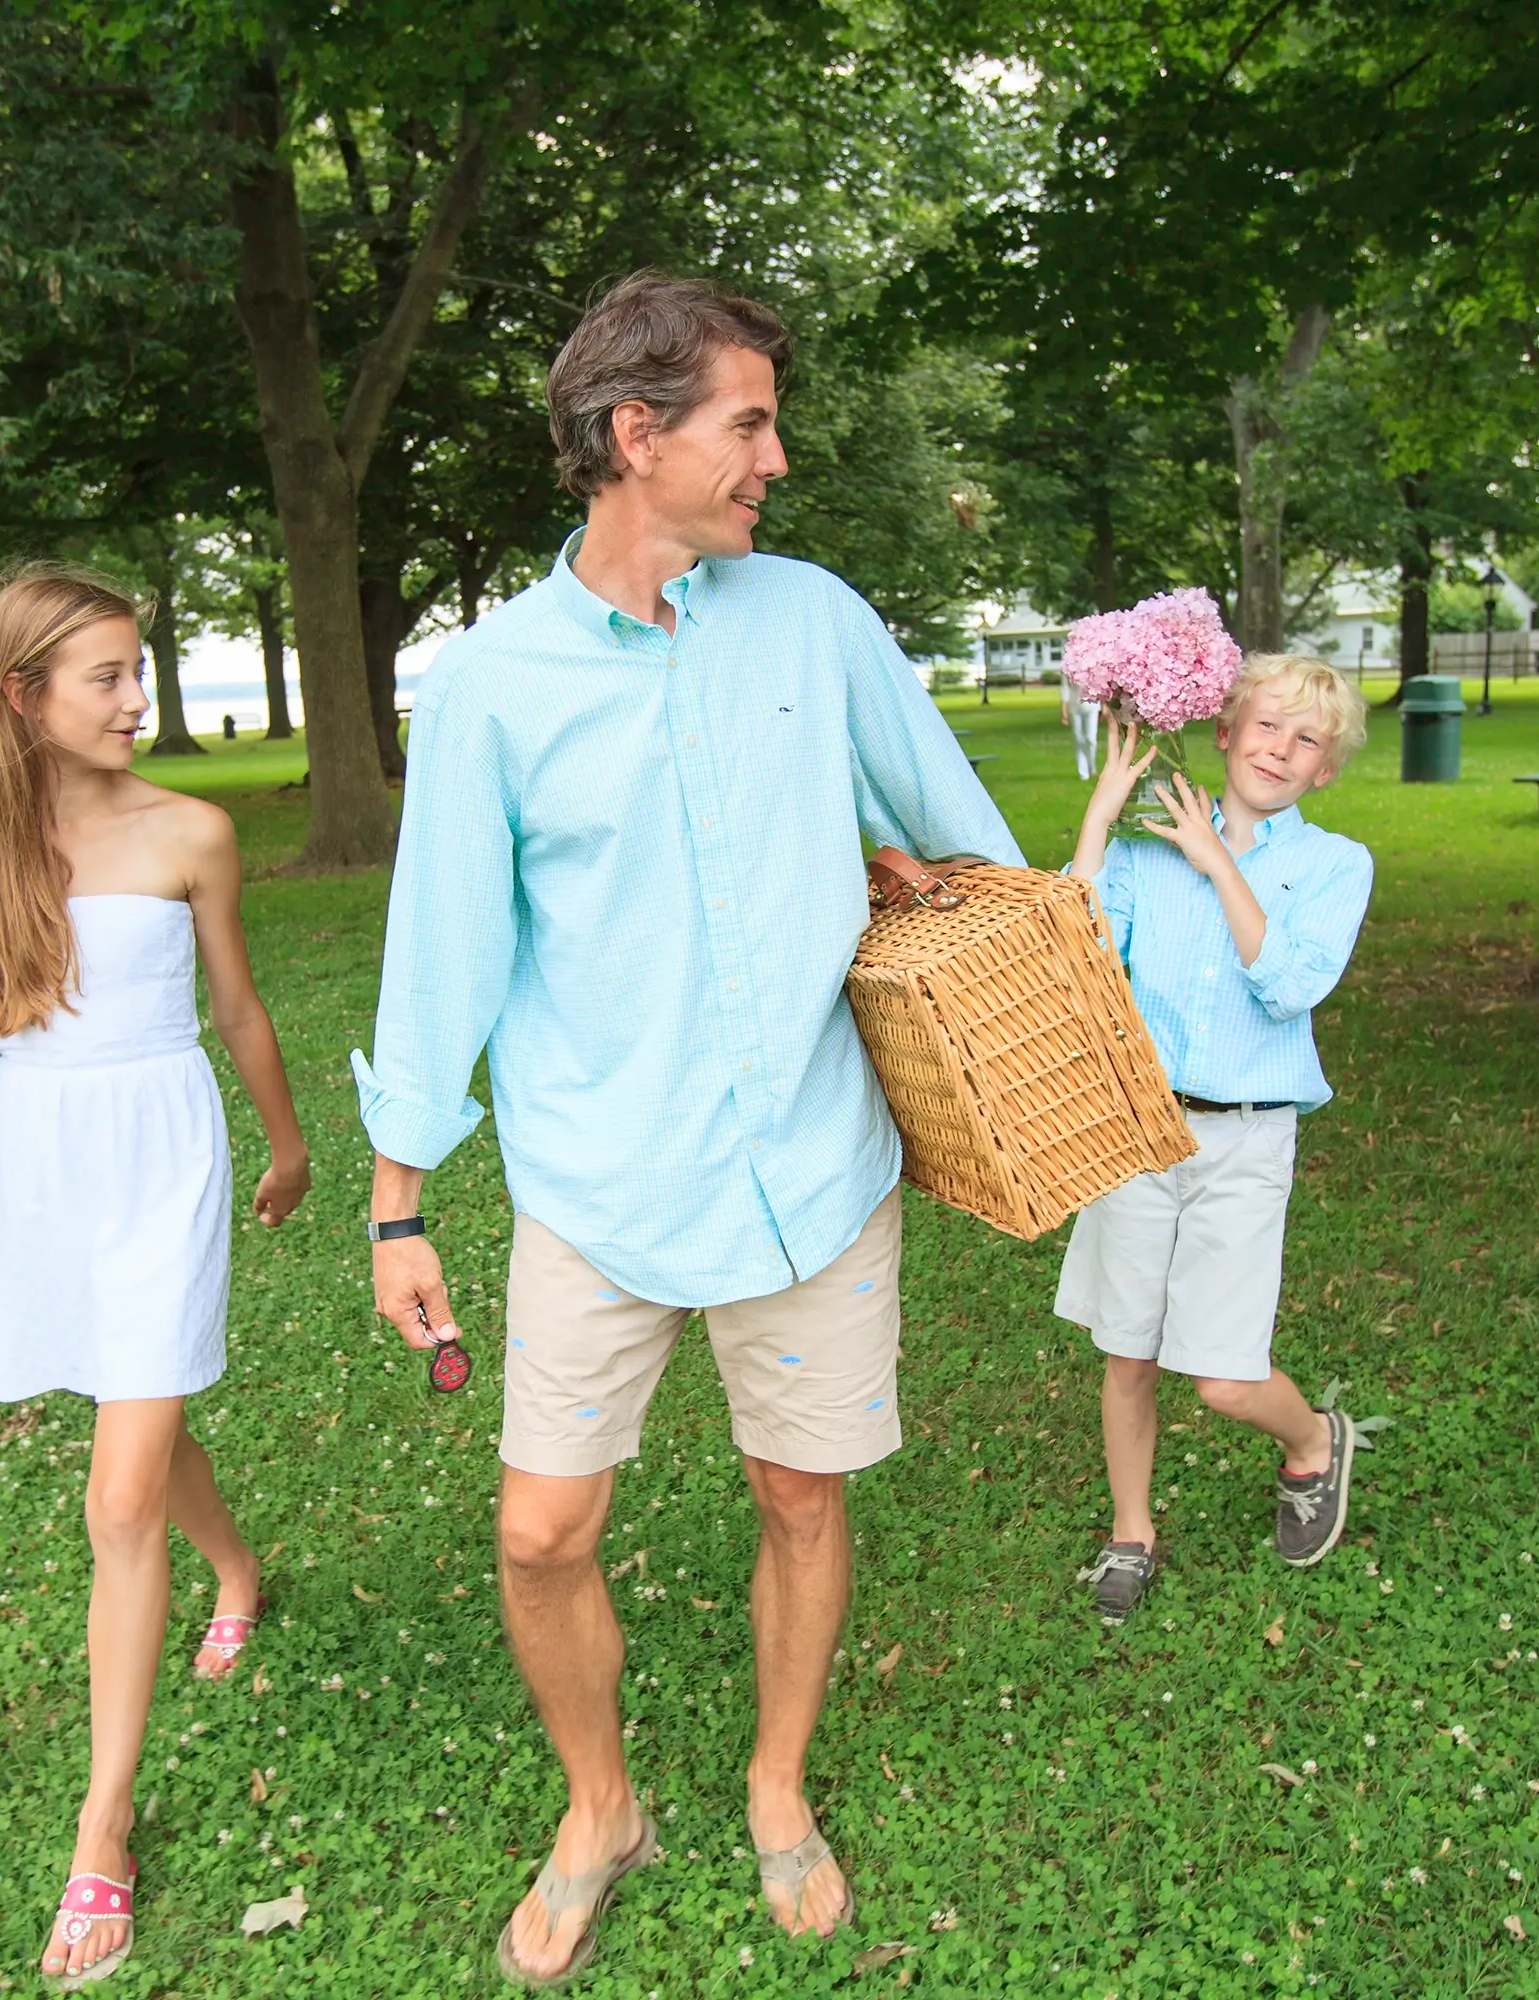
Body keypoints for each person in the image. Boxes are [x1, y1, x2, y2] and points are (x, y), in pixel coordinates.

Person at [355, 272, 1021, 1987]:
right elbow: (444, 952)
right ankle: (601, 1810)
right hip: (603, 1177)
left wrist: (937, 885)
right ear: (635, 436)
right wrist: (398, 1204)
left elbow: (963, 833)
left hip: (813, 1163)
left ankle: (776, 1785)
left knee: (801, 1494)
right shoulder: (492, 687)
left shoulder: (813, 621)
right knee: (537, 1530)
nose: (776, 462)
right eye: (749, 424)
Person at [0, 562, 309, 1991]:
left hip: (165, 1153)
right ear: (21, 696)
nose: (137, 697)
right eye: (105, 675)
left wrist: (288, 1145)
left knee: (118, 1487)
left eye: (137, 668)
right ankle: (234, 1563)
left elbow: (236, 1004)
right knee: (134, 1412)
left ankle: (101, 1826)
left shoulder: (194, 831)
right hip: (39, 1164)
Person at [1056, 655, 1376, 1620]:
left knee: (1226, 1380)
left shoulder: (1332, 865)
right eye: (1266, 725)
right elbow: (1080, 959)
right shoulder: (1150, 856)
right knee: (1129, 1352)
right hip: (1142, 1133)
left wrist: (1219, 862)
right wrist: (1103, 818)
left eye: (1307, 738)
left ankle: (1315, 1439)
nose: (1280, 748)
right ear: (1226, 733)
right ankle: (1130, 1531)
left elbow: (1285, 986)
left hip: (1244, 1141)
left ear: (1325, 770)